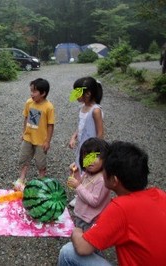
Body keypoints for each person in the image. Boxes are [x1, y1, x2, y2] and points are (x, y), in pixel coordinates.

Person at [58, 141, 166, 265]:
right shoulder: (160, 194)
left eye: (104, 169)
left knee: (68, 252)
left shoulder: (121, 208)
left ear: (114, 180)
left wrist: (75, 230)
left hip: (84, 227)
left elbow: (83, 248)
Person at [13, 78, 55, 191]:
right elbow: (26, 118)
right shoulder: (29, 103)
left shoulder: (49, 107)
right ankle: (22, 178)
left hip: (41, 140)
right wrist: (23, 133)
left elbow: (50, 125)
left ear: (43, 93)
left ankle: (41, 181)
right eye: (31, 91)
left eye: (34, 91)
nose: (32, 94)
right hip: (28, 137)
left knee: (40, 162)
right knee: (24, 158)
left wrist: (47, 141)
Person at [68, 76, 104, 206]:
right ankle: (80, 194)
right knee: (78, 168)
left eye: (77, 92)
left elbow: (100, 133)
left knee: (88, 172)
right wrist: (73, 137)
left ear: (87, 94)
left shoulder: (96, 111)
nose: (75, 95)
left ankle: (86, 196)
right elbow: (80, 127)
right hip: (82, 146)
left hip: (92, 149)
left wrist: (98, 153)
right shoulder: (82, 108)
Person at [66, 138, 111, 232]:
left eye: (95, 157)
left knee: (88, 242)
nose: (90, 161)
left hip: (91, 219)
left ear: (105, 158)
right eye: (86, 157)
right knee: (79, 236)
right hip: (82, 215)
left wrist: (78, 186)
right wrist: (76, 172)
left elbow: (94, 201)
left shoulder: (102, 180)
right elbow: (81, 186)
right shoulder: (88, 172)